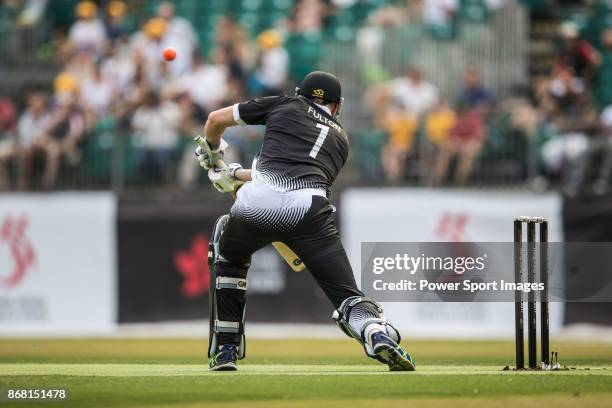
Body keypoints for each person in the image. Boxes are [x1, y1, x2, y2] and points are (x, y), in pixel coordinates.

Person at [195, 71, 415, 372]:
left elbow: (214, 120)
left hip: (256, 203)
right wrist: (234, 176)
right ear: (336, 107)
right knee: (347, 296)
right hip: (310, 209)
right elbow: (298, 173)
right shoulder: (341, 140)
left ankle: (226, 350)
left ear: (302, 93)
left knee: (228, 252)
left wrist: (212, 151)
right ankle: (376, 333)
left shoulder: (286, 103)